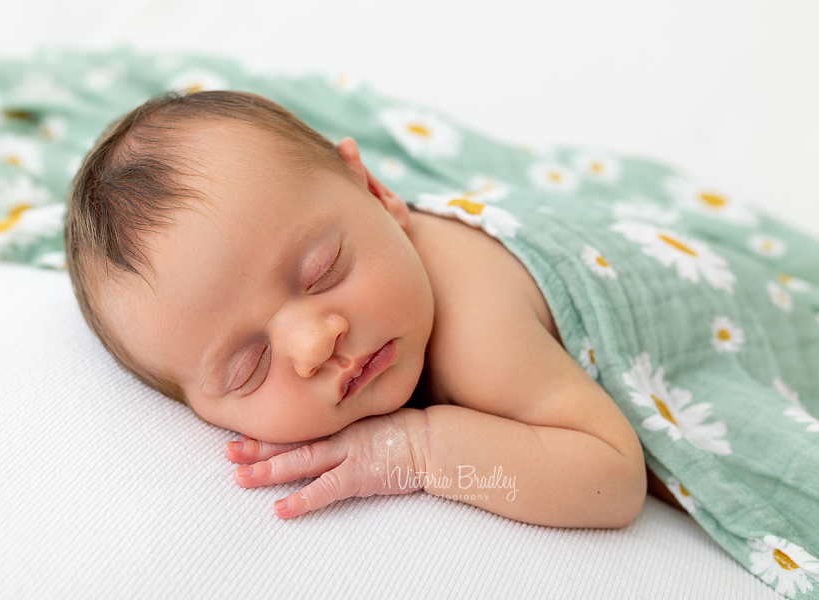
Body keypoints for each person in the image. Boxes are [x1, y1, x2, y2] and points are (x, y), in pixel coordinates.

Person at [65, 90, 649, 527]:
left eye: (322, 271)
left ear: (376, 193)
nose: (315, 345)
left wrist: (417, 451)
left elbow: (614, 478)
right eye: (249, 367)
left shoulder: (478, 331)